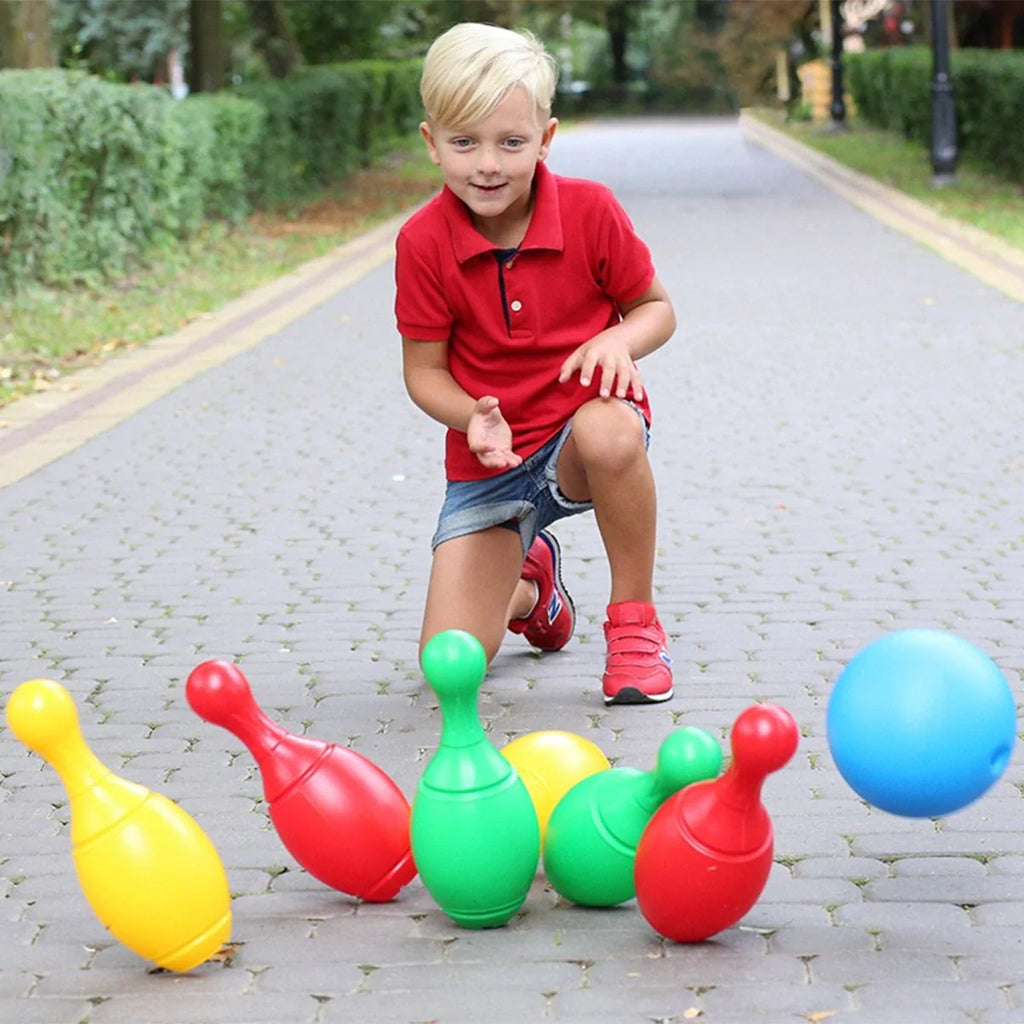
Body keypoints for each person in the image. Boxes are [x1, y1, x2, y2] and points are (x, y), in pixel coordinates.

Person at [394, 22, 676, 705]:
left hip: (580, 439)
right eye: (464, 143)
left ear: (545, 139)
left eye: (510, 143)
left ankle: (634, 624)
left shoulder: (590, 211)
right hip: (490, 463)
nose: (487, 165)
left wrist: (620, 342)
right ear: (433, 143)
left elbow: (656, 309)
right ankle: (531, 588)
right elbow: (423, 372)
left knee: (610, 428)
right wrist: (472, 417)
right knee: (449, 666)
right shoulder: (422, 241)